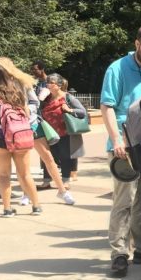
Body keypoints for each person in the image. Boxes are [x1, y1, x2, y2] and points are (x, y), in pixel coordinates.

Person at [100, 24, 141, 277]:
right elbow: (107, 106)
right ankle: (119, 253)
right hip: (124, 146)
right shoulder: (117, 69)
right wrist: (116, 139)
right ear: (137, 43)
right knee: (124, 200)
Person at [0, 58, 42, 217]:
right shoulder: (17, 91)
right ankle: (36, 206)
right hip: (20, 135)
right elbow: (27, 113)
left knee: (3, 174)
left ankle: (7, 209)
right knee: (25, 173)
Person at [38, 72, 84, 204]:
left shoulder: (68, 97)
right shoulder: (46, 98)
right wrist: (40, 99)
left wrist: (69, 110)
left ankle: (65, 180)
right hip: (48, 133)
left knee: (65, 157)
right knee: (47, 157)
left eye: (50, 83)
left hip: (64, 132)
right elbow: (36, 110)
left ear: (58, 85)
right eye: (47, 82)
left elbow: (82, 112)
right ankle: (46, 181)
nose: (48, 85)